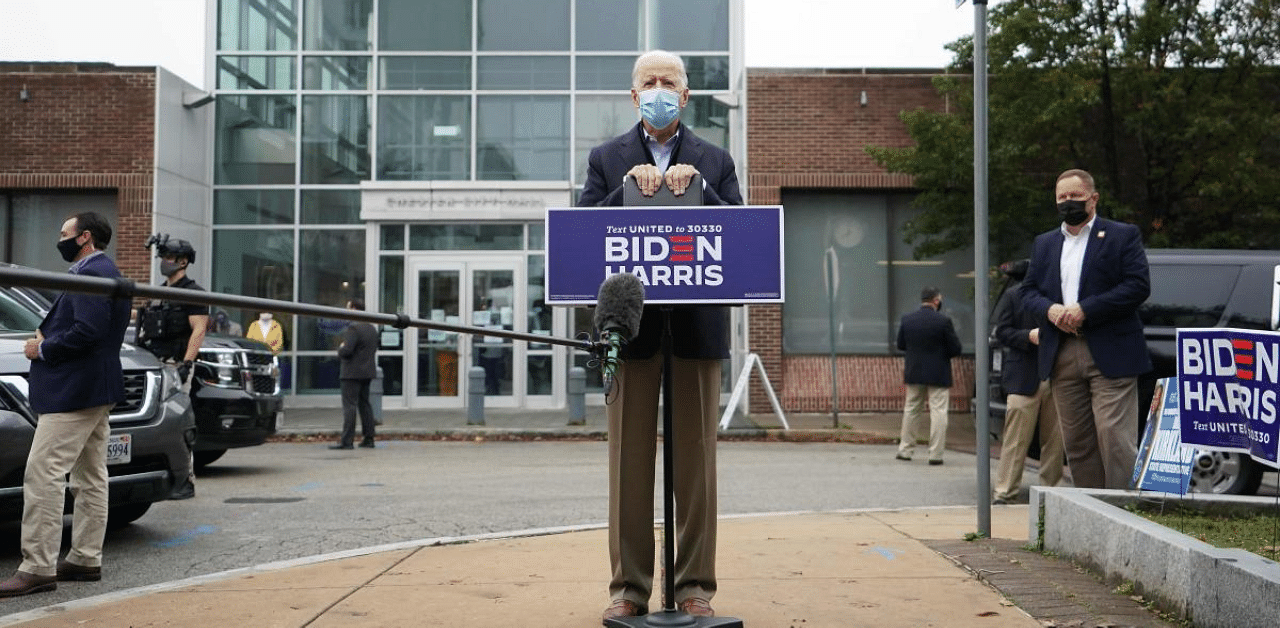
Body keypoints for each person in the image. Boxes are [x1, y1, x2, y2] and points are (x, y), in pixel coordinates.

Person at [578, 50, 742, 622]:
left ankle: (695, 584)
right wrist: (626, 187)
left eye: (668, 81)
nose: (658, 89)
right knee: (628, 465)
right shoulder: (606, 160)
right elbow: (583, 235)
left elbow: (740, 239)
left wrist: (699, 187)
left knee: (695, 468)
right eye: (647, 82)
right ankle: (629, 587)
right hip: (632, 335)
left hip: (696, 336)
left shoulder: (715, 160)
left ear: (686, 94)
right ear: (632, 96)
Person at [0, 212, 131, 597]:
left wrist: (42, 348)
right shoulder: (104, 270)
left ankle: (38, 567)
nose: (60, 240)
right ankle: (84, 558)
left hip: (75, 391)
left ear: (85, 237)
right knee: (90, 476)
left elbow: (88, 332)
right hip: (95, 388)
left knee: (43, 474)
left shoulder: (90, 274)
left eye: (64, 234)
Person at [1020, 168, 1151, 490]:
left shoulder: (1122, 235)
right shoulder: (1045, 243)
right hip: (1062, 352)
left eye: (1074, 196)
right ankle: (1092, 507)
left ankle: (1125, 508)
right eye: (1061, 197)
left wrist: (1085, 310)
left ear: (1093, 198)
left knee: (1114, 437)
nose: (1068, 203)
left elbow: (1137, 286)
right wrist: (1050, 310)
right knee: (1077, 442)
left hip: (1110, 350)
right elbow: (1028, 291)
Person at [136, 235, 209, 500]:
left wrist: (187, 364)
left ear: (183, 261)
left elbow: (198, 330)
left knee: (180, 425)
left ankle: (184, 481)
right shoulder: (160, 293)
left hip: (176, 366)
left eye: (168, 258)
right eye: (163, 257)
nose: (163, 263)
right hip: (154, 366)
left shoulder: (193, 293)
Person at [991, 260, 1064, 504]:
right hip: (1023, 377)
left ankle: (1051, 493)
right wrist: (1027, 336)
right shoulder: (1014, 295)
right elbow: (1001, 331)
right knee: (1015, 440)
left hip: (1056, 375)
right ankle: (1005, 491)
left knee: (1054, 443)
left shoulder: (1061, 297)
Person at [895, 287, 963, 465]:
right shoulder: (944, 321)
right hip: (938, 372)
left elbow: (901, 344)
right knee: (938, 412)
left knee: (911, 410)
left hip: (914, 370)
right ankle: (935, 454)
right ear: (936, 300)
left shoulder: (907, 319)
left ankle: (905, 450)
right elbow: (956, 348)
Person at [332, 299, 378, 450]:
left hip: (351, 373)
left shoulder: (353, 329)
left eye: (348, 308)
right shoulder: (372, 328)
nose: (346, 312)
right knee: (365, 404)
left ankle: (347, 441)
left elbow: (346, 351)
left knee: (349, 406)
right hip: (367, 372)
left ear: (354, 309)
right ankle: (369, 438)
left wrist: (340, 349)